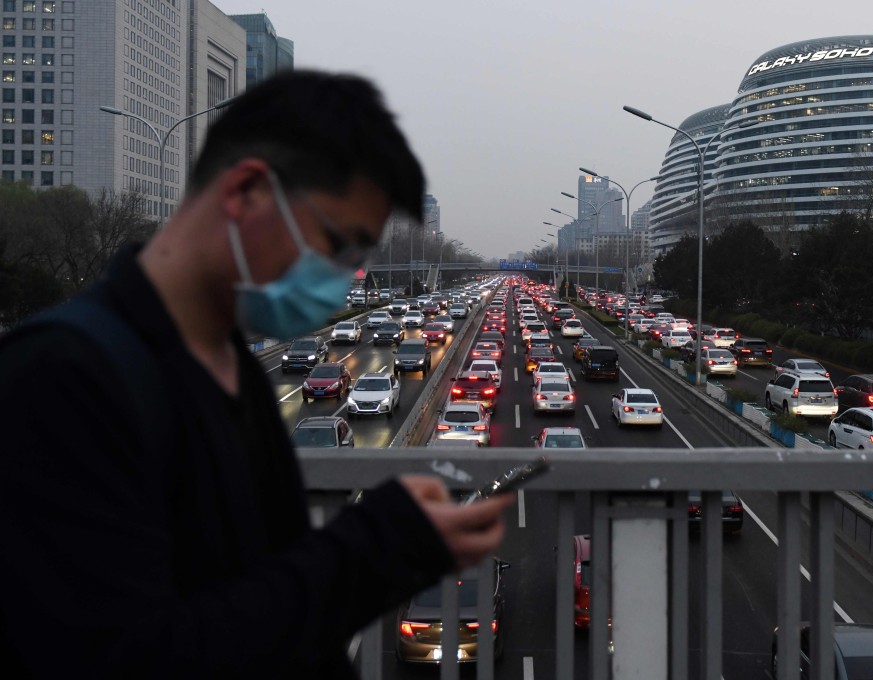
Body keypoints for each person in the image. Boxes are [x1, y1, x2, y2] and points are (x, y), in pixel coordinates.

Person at [0, 71, 513, 678]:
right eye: (336, 245)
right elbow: (119, 655)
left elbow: (273, 607)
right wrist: (374, 549)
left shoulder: (232, 369)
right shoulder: (61, 376)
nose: (340, 280)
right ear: (246, 193)